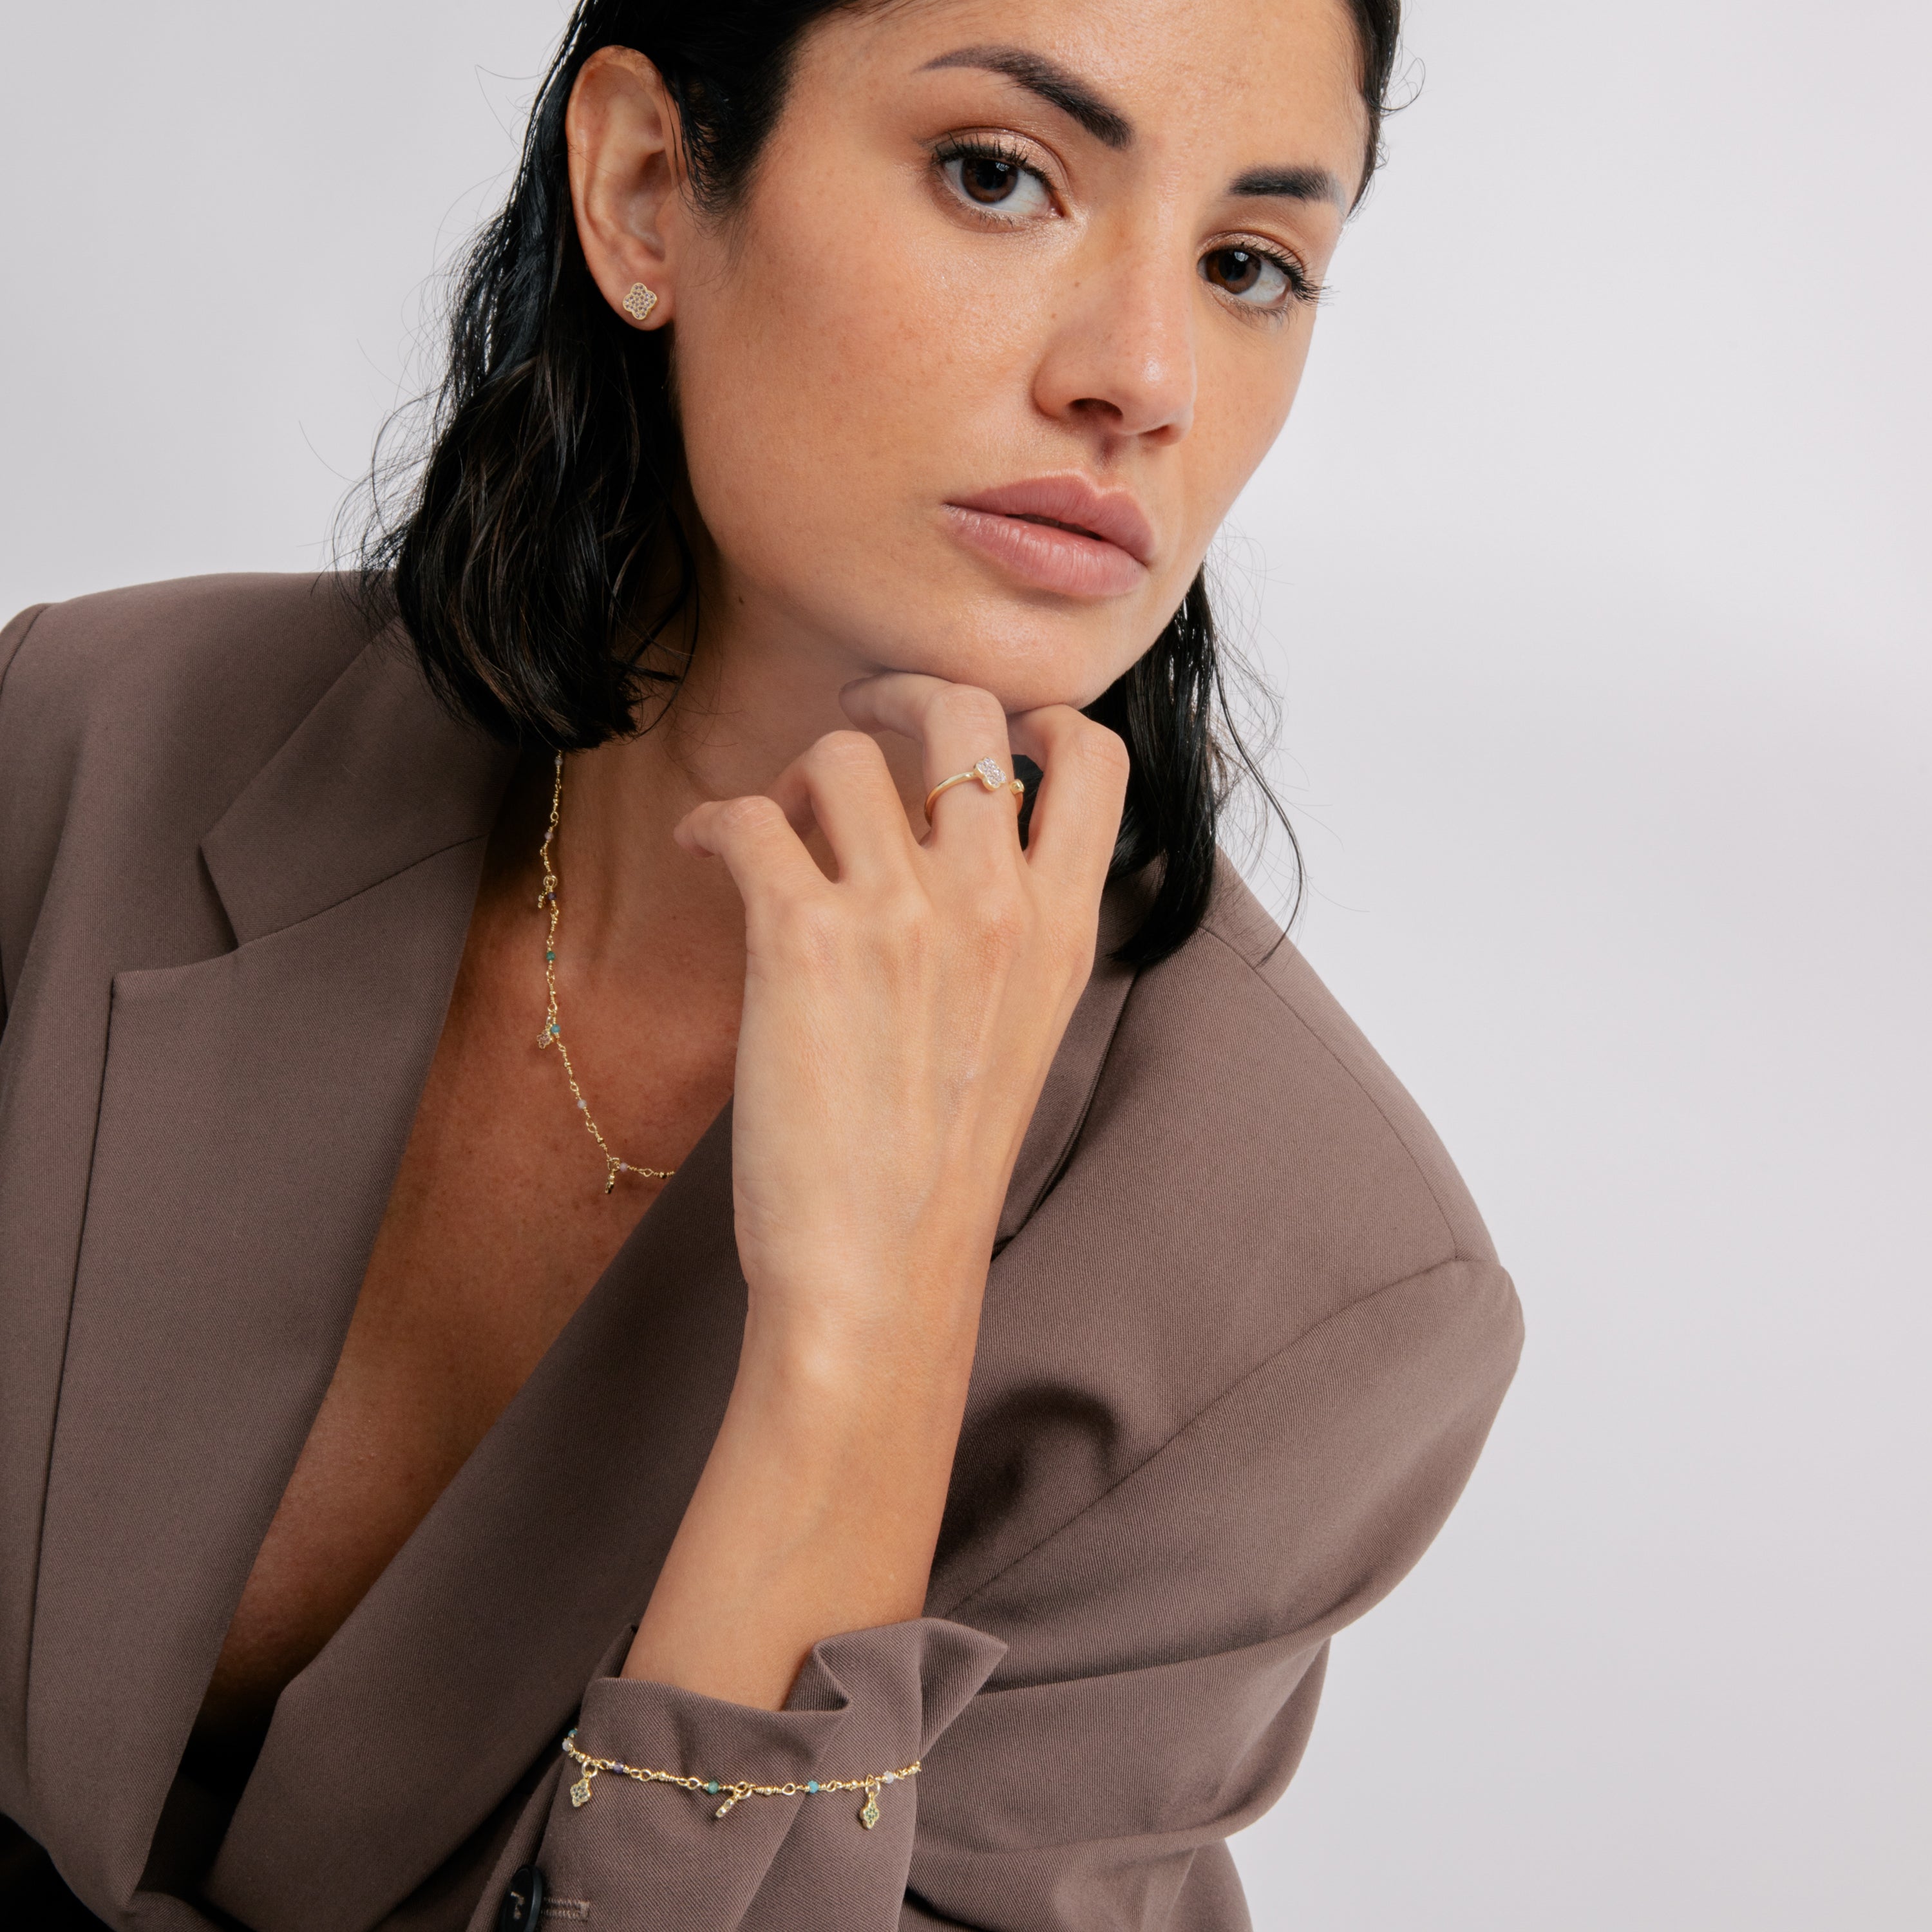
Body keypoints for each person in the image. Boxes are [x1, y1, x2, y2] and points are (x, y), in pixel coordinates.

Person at [0, 1, 1522, 1926]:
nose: (1143, 378)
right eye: (1000, 176)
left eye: (1249, 266)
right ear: (647, 188)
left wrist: (864, 1348)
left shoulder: (1315, 1307)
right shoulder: (85, 745)